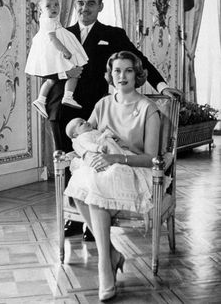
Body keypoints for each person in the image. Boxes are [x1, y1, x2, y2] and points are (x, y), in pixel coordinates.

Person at [46, 0, 182, 240]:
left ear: (100, 6)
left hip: (93, 108)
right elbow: (45, 68)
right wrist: (54, 87)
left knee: (98, 161)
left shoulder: (112, 33)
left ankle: (94, 223)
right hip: (62, 108)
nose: (84, 8)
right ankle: (75, 218)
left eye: (90, 3)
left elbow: (138, 59)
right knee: (71, 163)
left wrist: (162, 86)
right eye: (80, 3)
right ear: (75, 5)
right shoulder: (61, 33)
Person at [64, 51, 161, 301]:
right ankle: (110, 255)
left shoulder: (148, 108)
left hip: (133, 168)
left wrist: (115, 158)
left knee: (94, 184)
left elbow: (151, 157)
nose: (122, 76)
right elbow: (83, 139)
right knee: (80, 183)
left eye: (128, 70)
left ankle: (104, 266)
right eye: (117, 70)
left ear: (137, 74)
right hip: (104, 166)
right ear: (111, 74)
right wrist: (87, 157)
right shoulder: (103, 104)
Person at [25, 0, 88, 118]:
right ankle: (68, 96)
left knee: (51, 80)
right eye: (48, 6)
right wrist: (65, 50)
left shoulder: (50, 19)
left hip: (52, 48)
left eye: (56, 4)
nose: (54, 8)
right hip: (54, 49)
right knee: (74, 71)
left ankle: (41, 100)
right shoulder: (48, 20)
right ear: (40, 9)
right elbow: (53, 39)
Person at [65, 117, 135, 162]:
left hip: (111, 145)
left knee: (122, 153)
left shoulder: (93, 131)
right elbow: (88, 145)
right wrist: (98, 148)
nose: (85, 122)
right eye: (81, 124)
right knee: (113, 156)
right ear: (76, 134)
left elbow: (102, 135)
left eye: (85, 120)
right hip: (103, 150)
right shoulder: (82, 137)